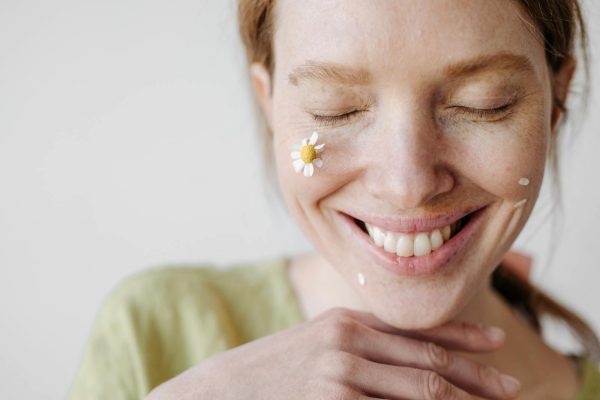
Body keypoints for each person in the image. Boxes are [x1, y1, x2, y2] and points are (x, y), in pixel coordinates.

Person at [68, 1, 600, 399]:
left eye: (482, 104)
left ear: (555, 104)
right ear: (271, 106)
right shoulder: (153, 336)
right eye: (335, 109)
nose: (407, 182)